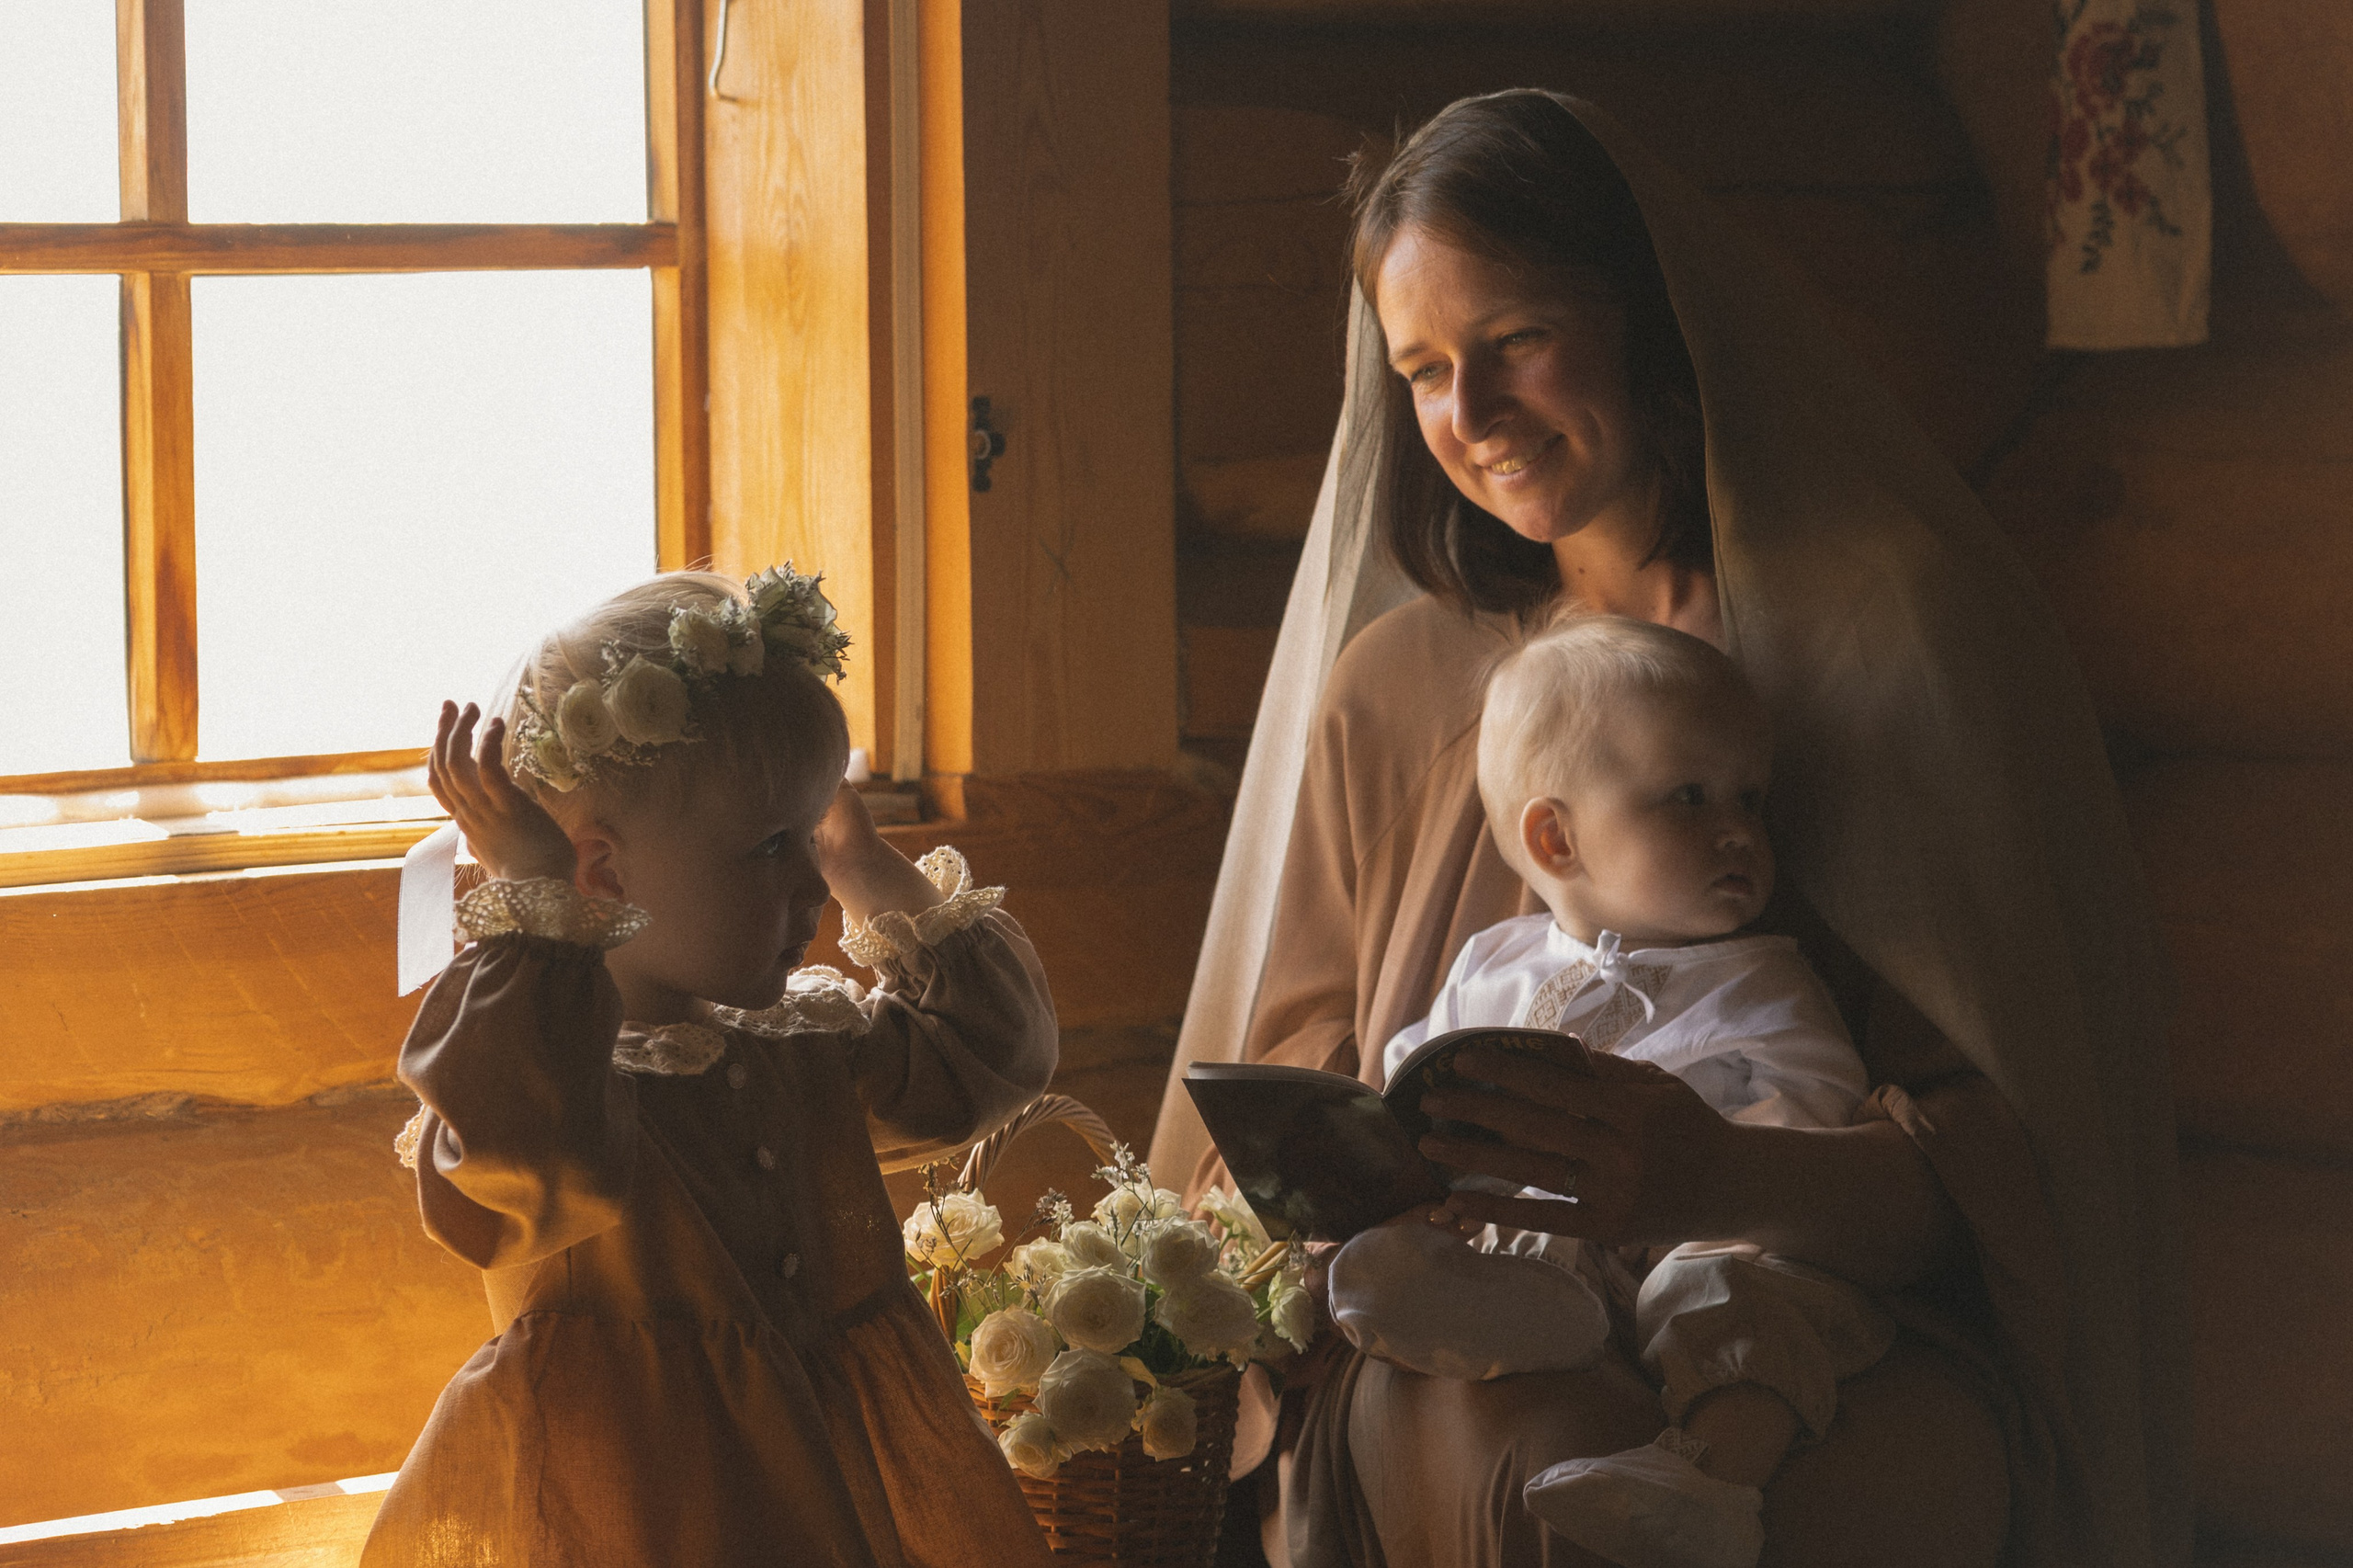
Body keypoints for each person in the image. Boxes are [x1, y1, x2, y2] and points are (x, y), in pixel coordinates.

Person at [1149, 91, 2188, 1568]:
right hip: (1477, 1301)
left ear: (1644, 317)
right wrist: (1357, 1186)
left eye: (1516, 339)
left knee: (1759, 1479)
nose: (1473, 415)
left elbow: (2014, 1178)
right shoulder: (1398, 686)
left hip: (1813, 1297)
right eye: (1425, 370)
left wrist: (1715, 1176)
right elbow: (1286, 1092)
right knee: (1540, 1456)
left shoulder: (1881, 634)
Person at [363, 568, 1056, 1568]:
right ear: (601, 874)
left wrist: (864, 861)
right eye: (772, 845)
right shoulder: (552, 1083)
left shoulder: (803, 1042)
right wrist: (536, 912)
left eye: (811, 833)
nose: (811, 882)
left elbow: (989, 1054)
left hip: (844, 1484)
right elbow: (524, 1179)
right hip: (639, 1508)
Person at [1327, 615, 1892, 1568]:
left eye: (1750, 798)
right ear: (1556, 837)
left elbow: (1816, 1106)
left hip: (1704, 1237)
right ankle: (1488, 1319)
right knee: (1447, 1242)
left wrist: (1713, 1189)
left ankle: (1706, 1482)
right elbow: (1415, 1074)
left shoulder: (1759, 978)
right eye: (1689, 796)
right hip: (1546, 1246)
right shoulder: (1494, 961)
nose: (1740, 830)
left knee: (1730, 1296)